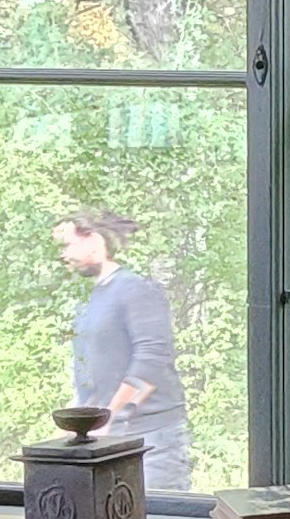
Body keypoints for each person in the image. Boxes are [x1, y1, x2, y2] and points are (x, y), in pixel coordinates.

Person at [54, 209, 192, 490]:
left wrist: (113, 414)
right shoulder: (95, 298)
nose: (63, 254)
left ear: (93, 241)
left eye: (67, 244)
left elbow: (152, 359)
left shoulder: (136, 289)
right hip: (113, 438)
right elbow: (94, 371)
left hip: (152, 441)